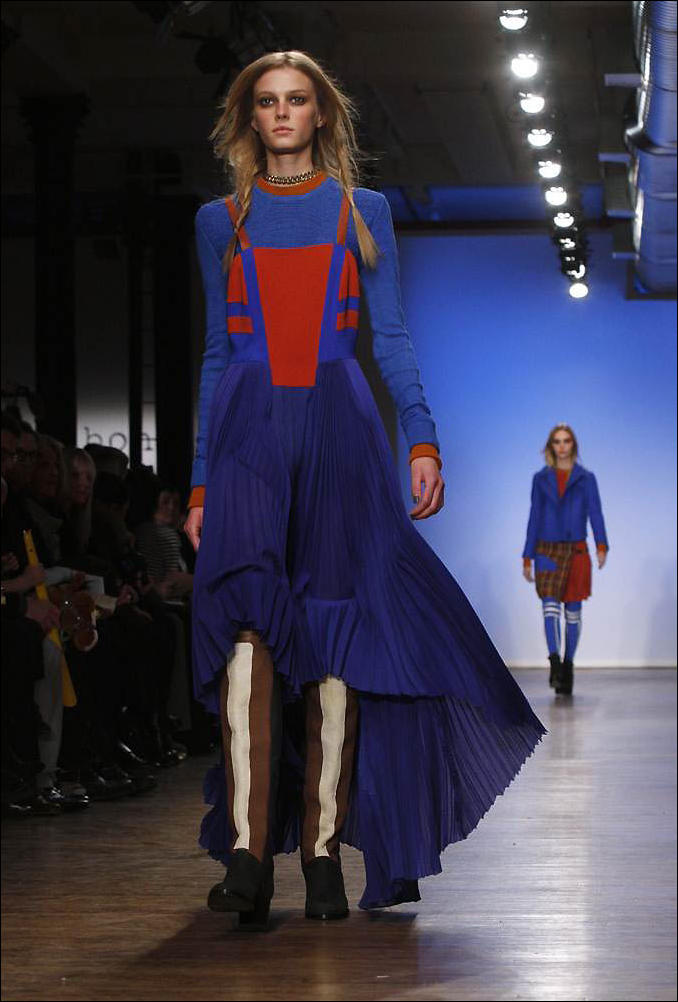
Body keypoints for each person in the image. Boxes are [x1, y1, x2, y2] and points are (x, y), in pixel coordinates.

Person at [184, 50, 546, 928]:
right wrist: (198, 484)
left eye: (296, 99)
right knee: (245, 636)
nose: (281, 113)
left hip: (340, 431)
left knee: (336, 639)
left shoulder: (362, 212)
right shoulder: (219, 221)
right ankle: (247, 857)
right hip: (246, 436)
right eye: (266, 101)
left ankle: (320, 856)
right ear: (249, 117)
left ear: (321, 114)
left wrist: (420, 436)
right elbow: (218, 352)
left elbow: (391, 338)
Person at [522, 423, 609, 696]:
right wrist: (527, 555)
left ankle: (568, 666)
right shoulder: (540, 479)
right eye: (557, 441)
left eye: (566, 441)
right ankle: (555, 664)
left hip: (576, 551)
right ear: (551, 446)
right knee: (550, 608)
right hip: (546, 549)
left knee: (573, 613)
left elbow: (595, 512)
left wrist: (602, 544)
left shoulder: (586, 478)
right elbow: (534, 516)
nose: (562, 446)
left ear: (573, 444)